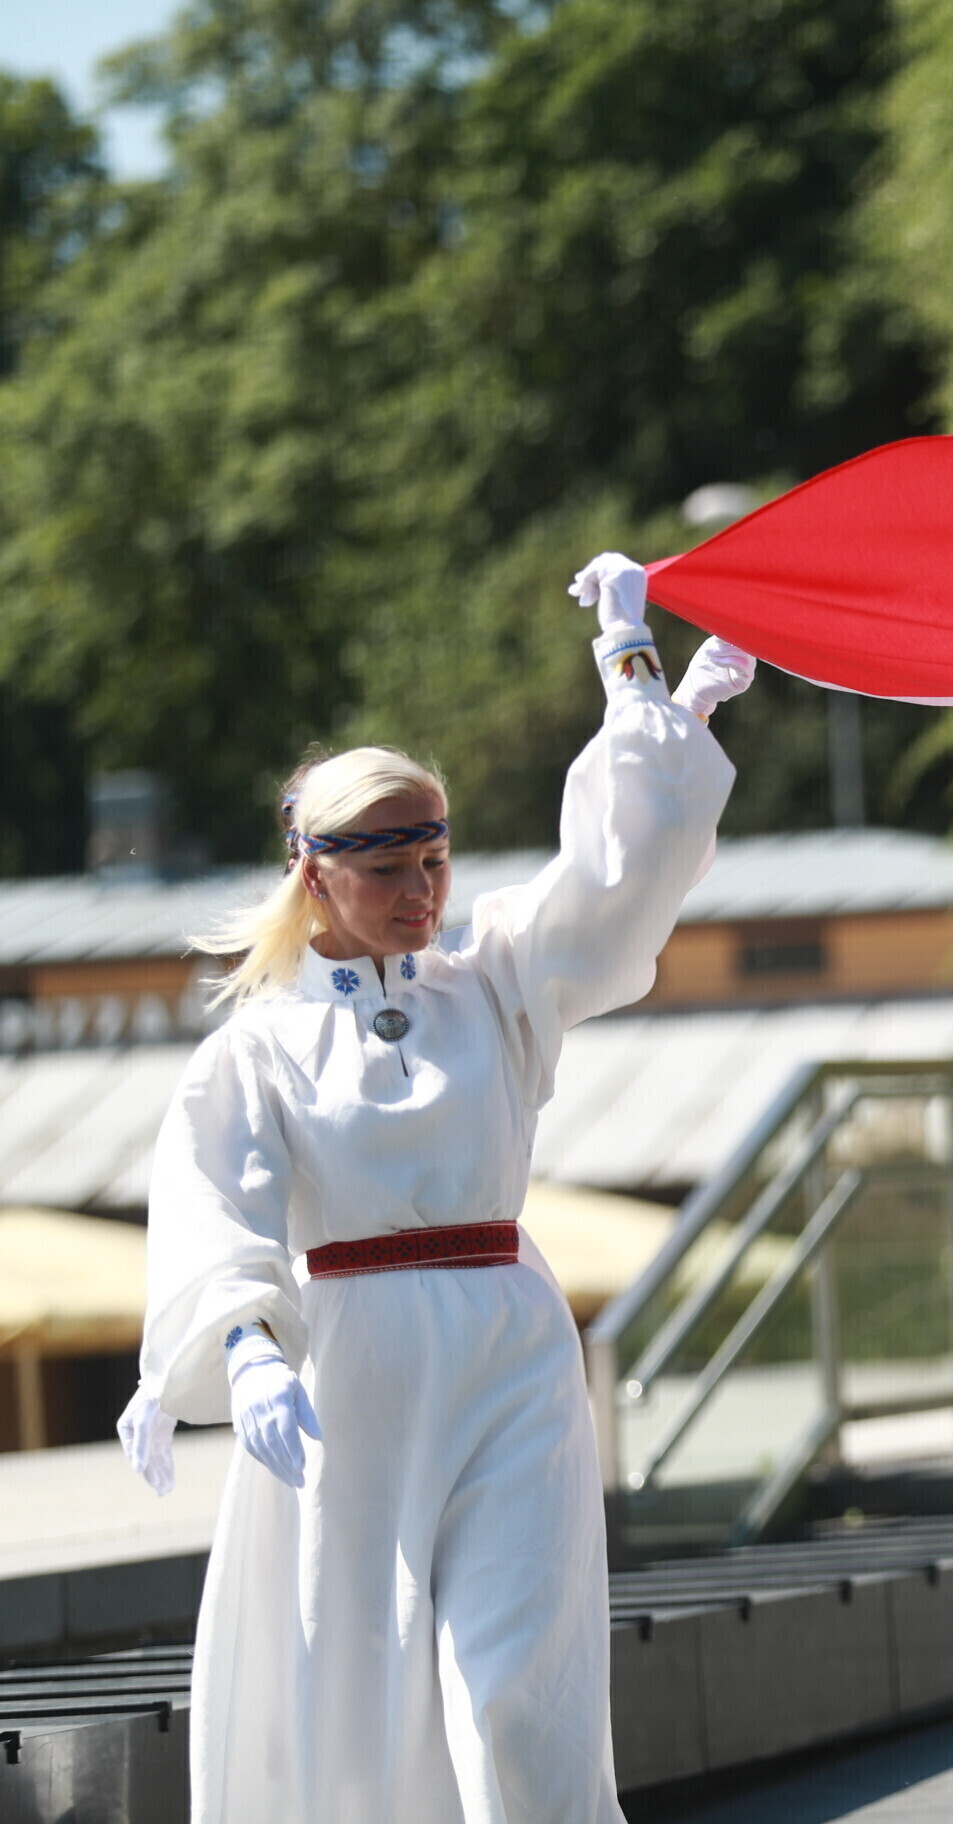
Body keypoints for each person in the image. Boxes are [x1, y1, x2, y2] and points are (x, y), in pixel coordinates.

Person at [113, 559, 751, 1823]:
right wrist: (244, 1351)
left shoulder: (494, 982)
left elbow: (614, 888)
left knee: (519, 1691)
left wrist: (638, 681)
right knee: (352, 1698)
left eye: (435, 859)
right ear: (315, 875)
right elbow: (215, 1204)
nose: (422, 892)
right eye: (387, 867)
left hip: (511, 1347)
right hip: (349, 1372)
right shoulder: (257, 1048)